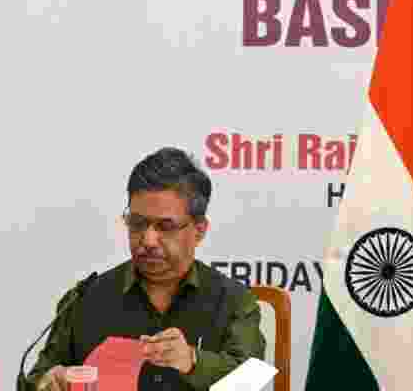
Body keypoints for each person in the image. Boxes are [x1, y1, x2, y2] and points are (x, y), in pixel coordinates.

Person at [23, 148, 265, 390]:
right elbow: (38, 378)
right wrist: (48, 382)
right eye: (138, 223)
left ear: (199, 230)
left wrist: (193, 360)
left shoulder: (232, 301)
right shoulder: (86, 298)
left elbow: (251, 381)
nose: (148, 240)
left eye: (165, 226)